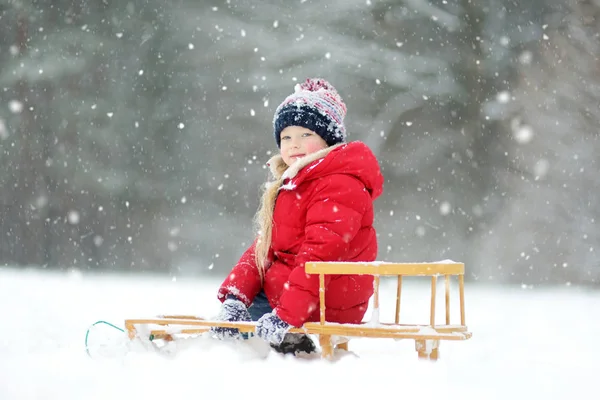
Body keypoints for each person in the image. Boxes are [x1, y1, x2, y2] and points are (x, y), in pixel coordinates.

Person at [210, 78, 384, 355]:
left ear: (328, 139)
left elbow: (320, 255)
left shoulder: (339, 184)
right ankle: (253, 347)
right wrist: (235, 296)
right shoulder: (294, 183)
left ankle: (277, 347)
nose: (294, 145)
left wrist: (287, 315)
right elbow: (265, 248)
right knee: (233, 321)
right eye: (286, 137)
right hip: (299, 292)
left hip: (329, 298)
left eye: (306, 135)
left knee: (238, 336)